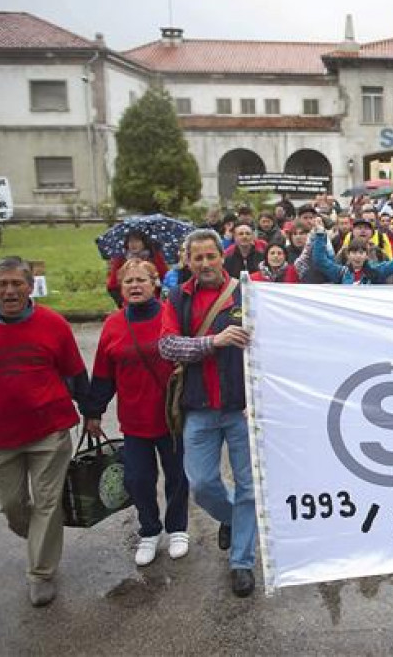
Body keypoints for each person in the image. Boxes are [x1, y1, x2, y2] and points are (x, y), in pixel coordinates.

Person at [0, 256, 89, 606]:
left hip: (48, 430)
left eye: (16, 283)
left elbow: (75, 373)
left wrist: (91, 411)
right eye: (2, 284)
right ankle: (39, 535)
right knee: (13, 507)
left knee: (49, 504)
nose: (9, 291)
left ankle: (41, 573)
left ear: (29, 286)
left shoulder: (53, 324)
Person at [158, 229, 257, 598]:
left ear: (222, 256)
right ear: (188, 261)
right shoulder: (177, 297)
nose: (204, 264)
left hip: (242, 408)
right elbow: (167, 345)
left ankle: (242, 562)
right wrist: (212, 342)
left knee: (248, 485)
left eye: (210, 256)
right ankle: (233, 518)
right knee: (201, 484)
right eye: (196, 258)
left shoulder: (248, 292)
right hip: (198, 407)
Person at [83, 259, 190, 567]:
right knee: (137, 479)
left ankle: (178, 527)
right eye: (128, 281)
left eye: (141, 280)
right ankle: (150, 530)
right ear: (120, 287)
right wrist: (94, 412)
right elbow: (103, 374)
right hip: (134, 420)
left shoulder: (172, 316)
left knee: (177, 476)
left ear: (155, 283)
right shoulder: (113, 324)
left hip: (171, 418)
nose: (134, 286)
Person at [309, 219, 393, 284]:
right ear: (348, 255)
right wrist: (320, 234)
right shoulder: (341, 273)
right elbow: (320, 261)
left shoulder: (376, 271)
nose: (357, 256)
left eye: (361, 253)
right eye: (354, 253)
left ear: (366, 255)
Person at [105, 229, 169, 307]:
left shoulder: (154, 257)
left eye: (137, 241)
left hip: (154, 303)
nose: (133, 244)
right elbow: (112, 286)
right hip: (129, 304)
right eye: (130, 241)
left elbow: (166, 280)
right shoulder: (120, 258)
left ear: (144, 242)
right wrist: (121, 303)